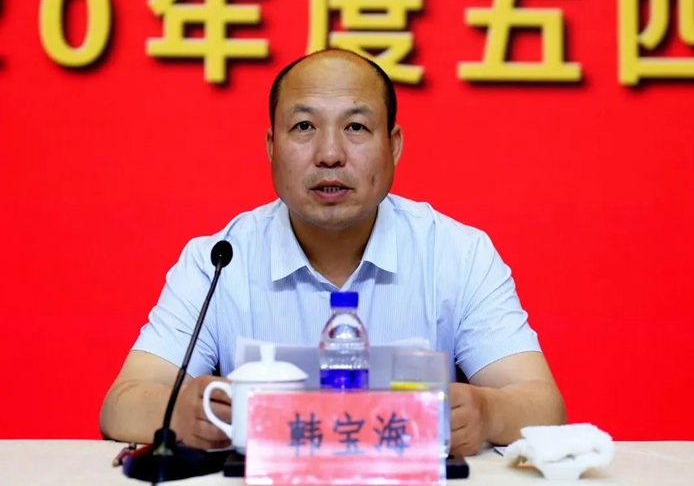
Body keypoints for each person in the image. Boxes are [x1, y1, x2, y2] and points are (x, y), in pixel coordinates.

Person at [100, 49, 566, 456]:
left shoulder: (457, 254)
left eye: (356, 127)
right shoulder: (219, 260)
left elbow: (543, 405)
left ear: (393, 147)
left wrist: (488, 412)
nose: (329, 154)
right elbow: (121, 404)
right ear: (271, 147)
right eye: (304, 126)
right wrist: (181, 412)